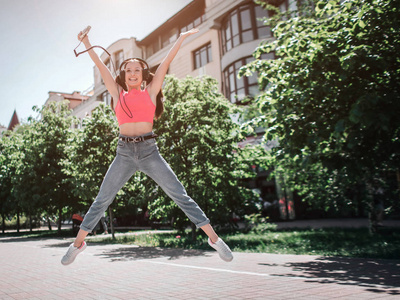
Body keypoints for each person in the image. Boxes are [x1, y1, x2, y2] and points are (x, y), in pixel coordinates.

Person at [61, 28, 233, 265]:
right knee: (102, 200)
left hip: (149, 151)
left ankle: (214, 240)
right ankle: (77, 245)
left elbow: (166, 61)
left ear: (143, 74)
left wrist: (181, 37)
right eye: (128, 70)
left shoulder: (152, 92)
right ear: (123, 75)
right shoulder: (117, 93)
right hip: (123, 152)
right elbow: (101, 66)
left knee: (180, 195)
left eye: (137, 70)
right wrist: (87, 41)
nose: (132, 73)